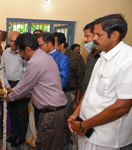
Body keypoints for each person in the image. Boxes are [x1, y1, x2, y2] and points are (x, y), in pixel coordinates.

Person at [68, 13, 132, 150]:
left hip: (106, 138)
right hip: (86, 129)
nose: (94, 39)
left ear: (114, 35)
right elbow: (90, 89)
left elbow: (123, 106)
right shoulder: (102, 56)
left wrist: (85, 125)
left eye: (98, 35)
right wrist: (76, 114)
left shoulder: (128, 59)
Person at [5, 33, 68, 150]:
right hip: (55, 112)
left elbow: (25, 88)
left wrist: (10, 97)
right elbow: (35, 87)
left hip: (51, 114)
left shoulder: (34, 62)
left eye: (21, 52)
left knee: (47, 146)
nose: (21, 56)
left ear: (28, 49)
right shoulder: (45, 56)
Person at [53, 32, 85, 150]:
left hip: (68, 94)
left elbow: (81, 80)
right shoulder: (51, 56)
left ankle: (64, 147)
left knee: (66, 124)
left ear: (61, 45)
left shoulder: (75, 57)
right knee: (55, 124)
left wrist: (77, 100)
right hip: (53, 95)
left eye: (53, 43)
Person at [0, 31, 28, 147]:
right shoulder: (5, 53)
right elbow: (1, 69)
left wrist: (15, 89)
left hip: (20, 86)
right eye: (10, 41)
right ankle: (14, 134)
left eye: (15, 41)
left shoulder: (23, 53)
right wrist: (7, 86)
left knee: (21, 114)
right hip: (8, 85)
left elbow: (25, 73)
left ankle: (21, 137)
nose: (12, 43)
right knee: (12, 114)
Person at [73, 21, 101, 111]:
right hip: (83, 101)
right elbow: (84, 81)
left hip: (95, 105)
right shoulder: (90, 56)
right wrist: (77, 101)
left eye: (87, 36)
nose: (84, 40)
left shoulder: (104, 57)